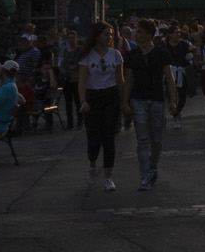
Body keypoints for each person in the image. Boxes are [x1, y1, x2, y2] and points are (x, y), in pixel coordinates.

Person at [75, 21, 129, 190]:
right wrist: (83, 101)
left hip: (110, 96)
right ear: (97, 36)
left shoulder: (115, 55)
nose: (109, 37)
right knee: (94, 139)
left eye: (111, 35)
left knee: (109, 137)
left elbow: (120, 80)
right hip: (93, 97)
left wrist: (124, 101)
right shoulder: (87, 56)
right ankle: (92, 164)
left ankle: (108, 177)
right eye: (106, 34)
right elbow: (82, 82)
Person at [126, 21, 178, 191]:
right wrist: (124, 101)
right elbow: (129, 80)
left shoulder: (161, 54)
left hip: (156, 99)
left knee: (156, 140)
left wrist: (172, 100)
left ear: (149, 35)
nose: (136, 35)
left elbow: (169, 77)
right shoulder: (132, 55)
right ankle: (144, 175)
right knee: (142, 139)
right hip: (138, 99)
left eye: (139, 32)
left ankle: (153, 166)